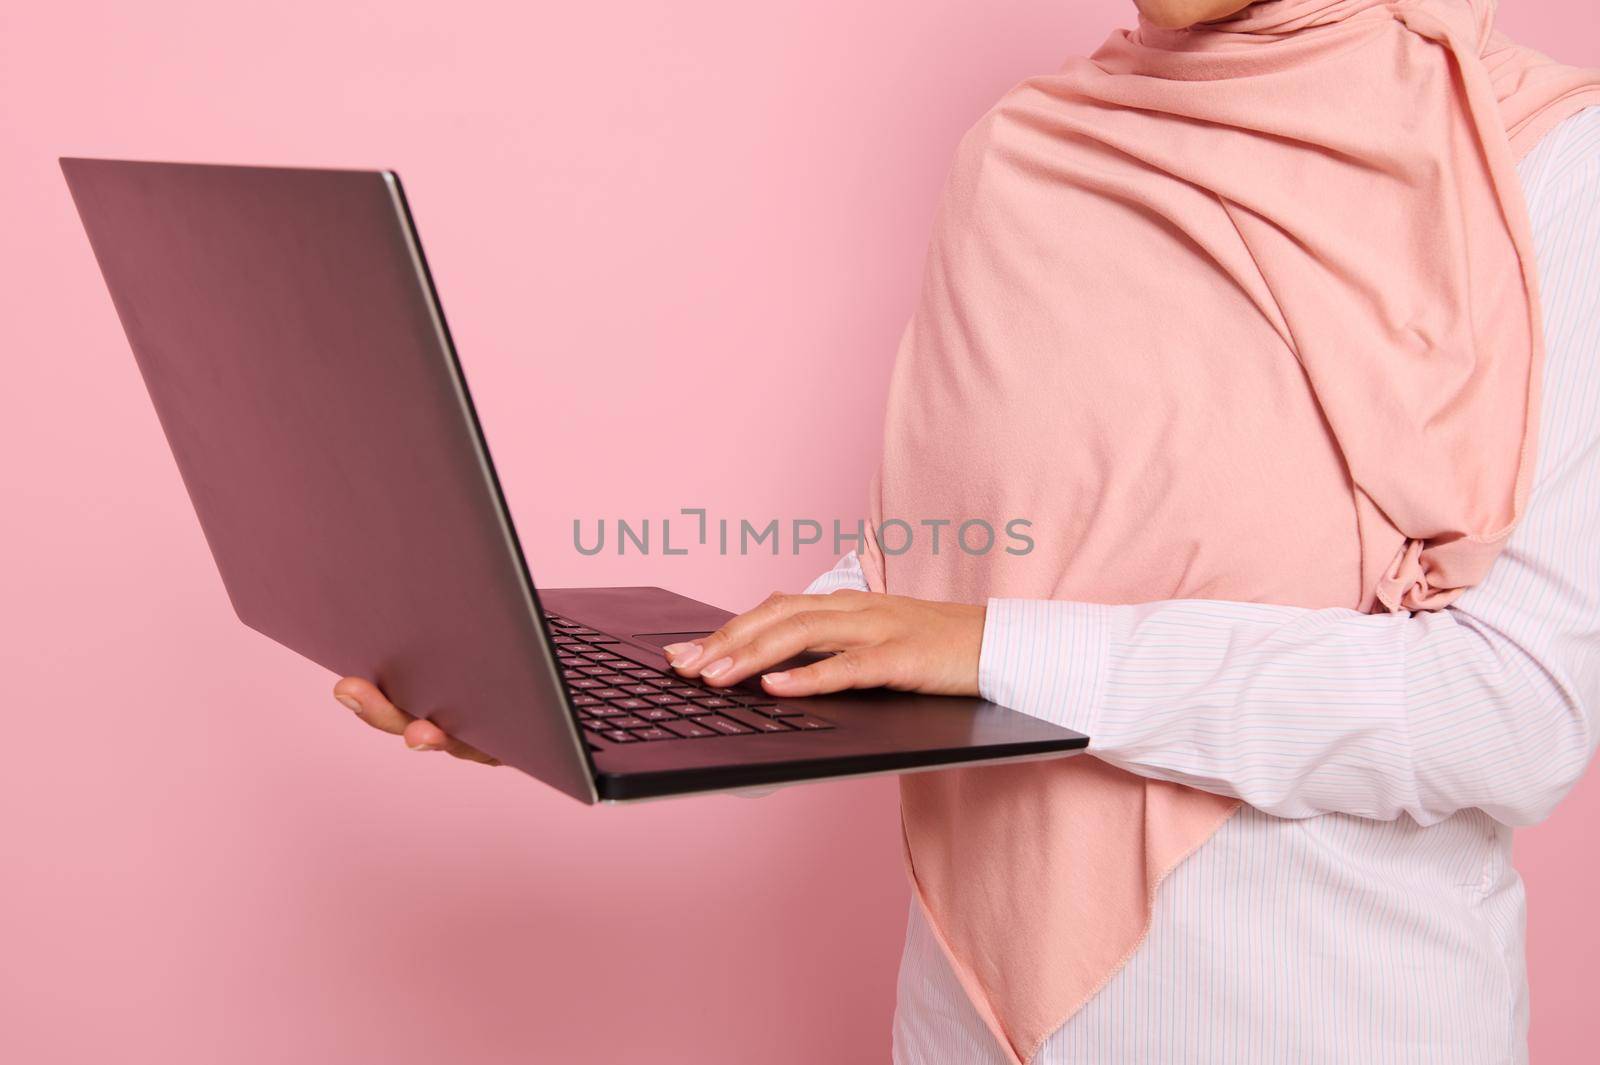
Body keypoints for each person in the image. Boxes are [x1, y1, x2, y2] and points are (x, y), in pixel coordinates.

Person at [330, 1, 1600, 1060]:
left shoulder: (1546, 167)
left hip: (1323, 1019)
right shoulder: (1026, 152)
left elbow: (1516, 712)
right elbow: (925, 587)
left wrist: (995, 647)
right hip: (968, 1018)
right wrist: (600, 698)